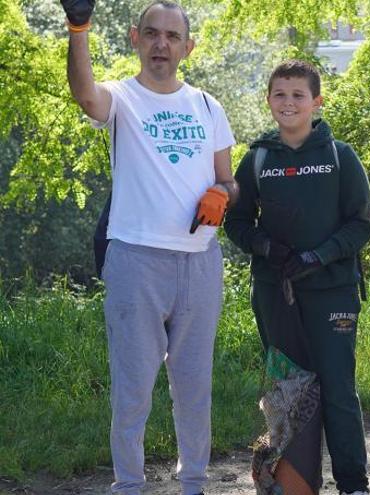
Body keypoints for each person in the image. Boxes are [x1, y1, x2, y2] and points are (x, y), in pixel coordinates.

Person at [61, 0, 237, 493]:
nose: (162, 44)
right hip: (136, 259)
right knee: (133, 388)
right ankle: (129, 485)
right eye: (153, 34)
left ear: (188, 47)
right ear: (136, 38)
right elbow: (83, 94)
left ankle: (194, 483)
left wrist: (224, 193)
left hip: (200, 262)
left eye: (172, 36)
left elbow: (228, 180)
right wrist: (79, 28)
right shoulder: (121, 97)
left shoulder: (207, 105)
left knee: (193, 386)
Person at [224, 60, 370, 495]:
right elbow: (235, 221)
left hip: (333, 293)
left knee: (338, 391)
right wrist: (266, 247)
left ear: (316, 102)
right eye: (280, 94)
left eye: (298, 95)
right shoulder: (257, 159)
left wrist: (319, 255)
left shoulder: (338, 155)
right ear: (269, 100)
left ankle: (353, 484)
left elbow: (361, 222)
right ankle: (293, 484)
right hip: (275, 293)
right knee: (286, 390)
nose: (288, 103)